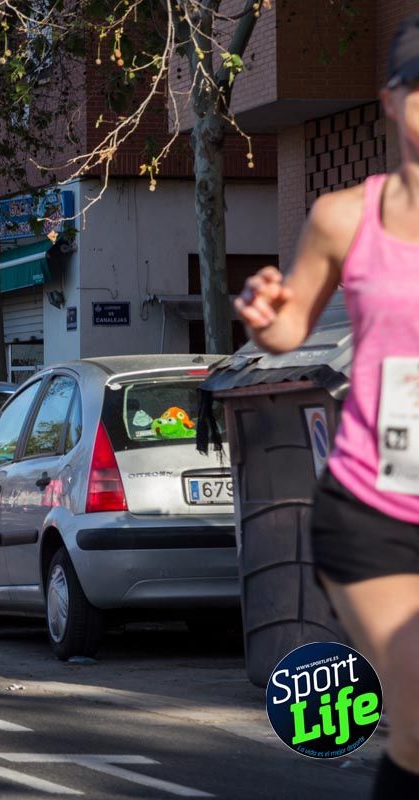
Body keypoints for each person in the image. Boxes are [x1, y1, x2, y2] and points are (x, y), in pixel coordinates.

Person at [233, 16, 419, 798]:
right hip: (377, 509)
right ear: (392, 100)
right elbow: (289, 328)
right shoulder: (346, 216)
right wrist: (264, 314)